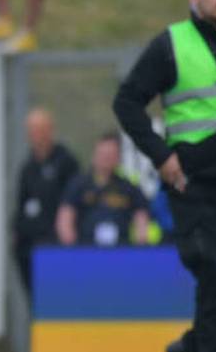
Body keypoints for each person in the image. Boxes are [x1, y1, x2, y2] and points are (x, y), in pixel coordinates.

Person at [113, 0, 216, 352]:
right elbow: (127, 101)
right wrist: (161, 155)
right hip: (195, 184)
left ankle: (191, 351)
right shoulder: (173, 44)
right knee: (214, 271)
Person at [11, 108, 79, 302]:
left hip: (54, 241)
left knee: (56, 298)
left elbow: (73, 201)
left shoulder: (65, 161)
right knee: (34, 298)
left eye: (38, 129)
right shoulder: (28, 165)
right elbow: (22, 200)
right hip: (28, 243)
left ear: (50, 130)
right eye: (30, 130)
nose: (34, 135)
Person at [55, 132, 150, 247]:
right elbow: (65, 217)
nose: (106, 159)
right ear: (95, 155)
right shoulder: (78, 185)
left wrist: (141, 243)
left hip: (121, 251)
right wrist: (70, 247)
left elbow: (141, 216)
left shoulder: (129, 187)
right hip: (86, 249)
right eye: (103, 154)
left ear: (118, 158)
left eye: (110, 155)